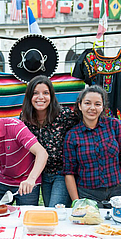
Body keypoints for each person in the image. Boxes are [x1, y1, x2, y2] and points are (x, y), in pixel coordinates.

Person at [0, 94, 48, 206]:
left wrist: (31, 179)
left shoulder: (15, 126)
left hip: (26, 178)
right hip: (3, 179)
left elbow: (42, 153)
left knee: (25, 217)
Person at [63, 85, 121, 208]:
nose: (92, 108)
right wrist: (77, 202)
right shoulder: (72, 135)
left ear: (103, 107)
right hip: (87, 195)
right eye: (87, 103)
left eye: (97, 104)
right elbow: (69, 172)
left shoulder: (114, 125)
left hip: (117, 192)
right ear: (80, 105)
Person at [20, 75, 78, 207]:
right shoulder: (24, 118)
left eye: (45, 93)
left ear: (51, 96)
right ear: (29, 96)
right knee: (48, 209)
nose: (41, 97)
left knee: (55, 209)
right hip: (41, 173)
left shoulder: (64, 115)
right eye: (35, 93)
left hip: (62, 173)